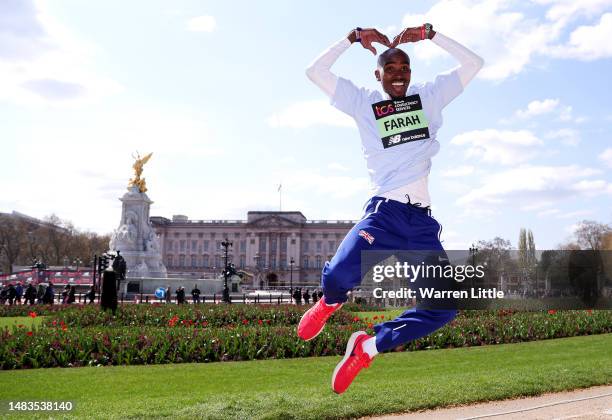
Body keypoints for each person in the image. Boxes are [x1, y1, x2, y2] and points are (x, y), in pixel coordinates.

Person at [298, 24, 483, 394]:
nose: (398, 75)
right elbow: (315, 72)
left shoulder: (429, 96)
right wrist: (350, 38)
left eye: (405, 68)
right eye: (391, 69)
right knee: (336, 278)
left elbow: (474, 63)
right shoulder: (363, 101)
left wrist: (431, 35)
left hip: (420, 224)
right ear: (377, 74)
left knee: (443, 309)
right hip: (385, 213)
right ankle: (330, 302)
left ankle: (368, 346)